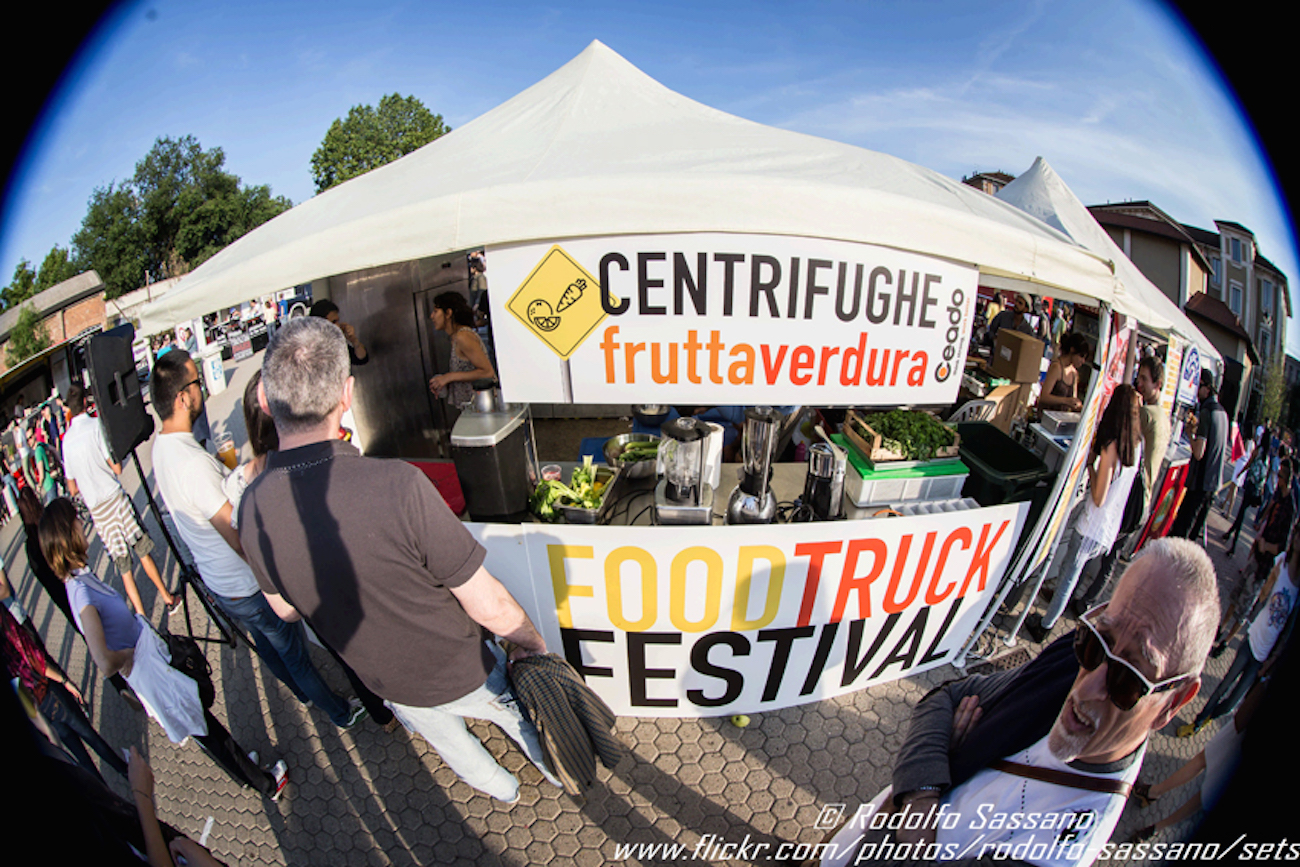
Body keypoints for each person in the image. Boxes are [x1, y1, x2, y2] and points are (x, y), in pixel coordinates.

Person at [240, 317, 558, 803]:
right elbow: (488, 604)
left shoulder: (252, 507)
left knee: (453, 746)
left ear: (264, 398)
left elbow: (282, 609)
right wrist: (532, 644)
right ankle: (558, 772)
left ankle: (506, 792)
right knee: (519, 718)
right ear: (347, 394)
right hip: (463, 666)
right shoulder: (399, 484)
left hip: (385, 679)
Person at [816, 538, 1217, 867]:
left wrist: (925, 783)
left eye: (1129, 679)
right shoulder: (1071, 660)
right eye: (1098, 641)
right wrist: (922, 795)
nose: (1088, 688)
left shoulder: (1063, 847)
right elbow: (945, 697)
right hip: (856, 834)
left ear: (1173, 702)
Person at [148, 350, 365, 731]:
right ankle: (339, 711)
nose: (202, 390)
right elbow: (234, 533)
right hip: (243, 581)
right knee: (293, 652)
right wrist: (272, 574)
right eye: (197, 382)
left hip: (221, 584)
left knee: (269, 646)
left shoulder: (162, 448)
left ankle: (302, 692)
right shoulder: (191, 463)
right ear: (183, 397)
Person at [39, 497, 288, 800]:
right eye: (76, 519)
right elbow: (103, 662)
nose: (82, 522)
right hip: (149, 670)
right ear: (68, 534)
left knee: (201, 720)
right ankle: (265, 784)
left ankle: (247, 769)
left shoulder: (81, 578)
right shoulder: (79, 593)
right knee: (203, 725)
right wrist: (129, 656)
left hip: (150, 660)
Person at [223, 369, 397, 731]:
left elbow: (254, 549)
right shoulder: (312, 463)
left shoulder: (237, 484)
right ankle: (399, 702)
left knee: (346, 651)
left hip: (306, 594)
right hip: (347, 574)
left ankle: (384, 715)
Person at [1027, 384, 1143, 642]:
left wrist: (1091, 466)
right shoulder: (1136, 445)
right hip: (1109, 529)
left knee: (1069, 574)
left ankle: (1045, 626)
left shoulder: (1111, 447)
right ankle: (1053, 609)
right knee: (1072, 574)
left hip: (1092, 524)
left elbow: (1098, 497)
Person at [59, 384, 179, 618]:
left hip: (98, 511)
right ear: (85, 402)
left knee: (124, 569)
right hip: (115, 498)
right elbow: (116, 467)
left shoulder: (66, 442)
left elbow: (72, 487)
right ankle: (166, 598)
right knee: (142, 550)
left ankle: (143, 618)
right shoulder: (96, 427)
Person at [1178, 521, 1299, 738]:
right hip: (1253, 640)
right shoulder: (1281, 563)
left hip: (1264, 657)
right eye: (1298, 533)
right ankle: (1197, 721)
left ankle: (1209, 717)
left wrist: (1272, 662)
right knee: (1224, 685)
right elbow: (1263, 597)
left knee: (1231, 704)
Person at [1078, 356, 1171, 611]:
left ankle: (1080, 598)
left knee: (1099, 551)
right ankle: (1087, 602)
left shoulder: (1145, 414)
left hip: (1131, 495)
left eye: (1144, 379)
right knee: (1112, 556)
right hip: (1144, 498)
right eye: (1138, 377)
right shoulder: (1164, 417)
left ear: (1158, 383)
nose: (1138, 383)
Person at [1, 601, 129, 782]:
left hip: (36, 706)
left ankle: (106, 796)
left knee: (81, 757)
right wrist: (65, 680)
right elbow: (35, 660)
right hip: (49, 691)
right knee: (90, 736)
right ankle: (125, 772)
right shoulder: (4, 622)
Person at [1168, 370, 1228, 541]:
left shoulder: (1207, 411)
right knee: (1192, 534)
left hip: (1200, 483)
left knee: (1181, 531)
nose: (1197, 391)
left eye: (1199, 386)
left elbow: (1199, 452)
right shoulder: (1222, 413)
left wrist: (1189, 432)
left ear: (1207, 388)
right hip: (1212, 484)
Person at [427, 290, 496, 413]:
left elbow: (487, 372)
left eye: (436, 311)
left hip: (480, 407)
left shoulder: (463, 336)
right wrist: (443, 380)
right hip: (472, 407)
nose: (432, 316)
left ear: (448, 313)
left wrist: (449, 377)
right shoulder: (456, 337)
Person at [1037, 332, 1089, 413]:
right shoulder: (1056, 367)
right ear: (1072, 350)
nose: (1082, 361)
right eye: (1081, 356)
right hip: (1046, 417)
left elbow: (1073, 400)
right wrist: (1066, 401)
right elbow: (1044, 396)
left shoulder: (1074, 373)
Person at [309, 298, 369, 366]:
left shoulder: (335, 343)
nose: (337, 325)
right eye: (333, 322)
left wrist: (354, 340)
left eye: (337, 321)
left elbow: (361, 359)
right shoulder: (309, 348)